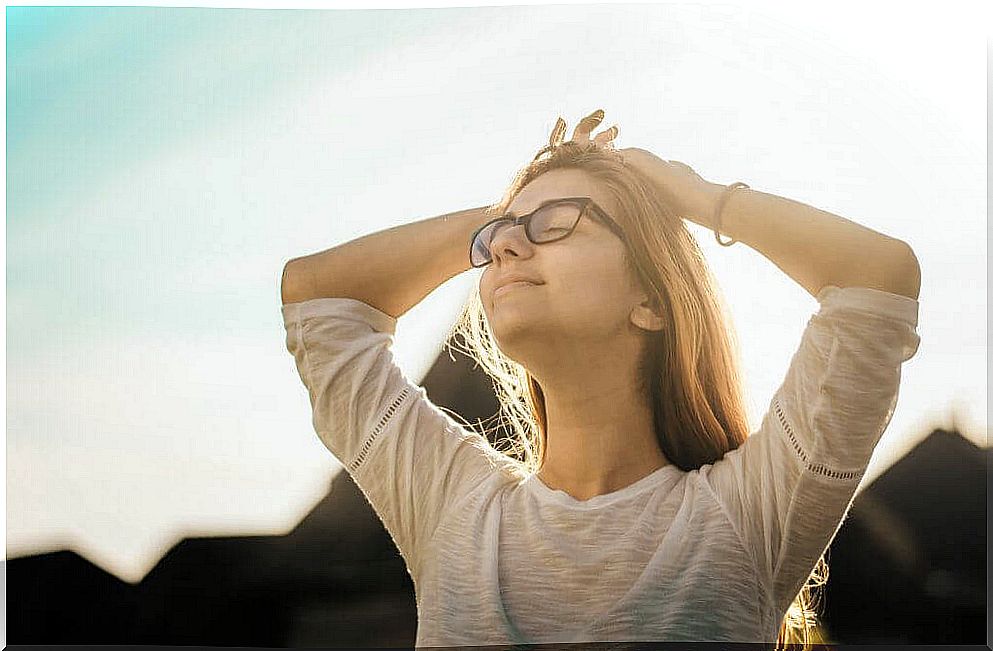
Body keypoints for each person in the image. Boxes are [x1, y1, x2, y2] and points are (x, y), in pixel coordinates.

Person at [280, 109, 921, 648]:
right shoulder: (453, 509)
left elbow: (877, 277)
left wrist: (693, 195)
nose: (503, 247)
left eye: (559, 223)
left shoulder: (745, 514)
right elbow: (317, 295)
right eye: (495, 239)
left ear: (652, 300)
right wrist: (507, 213)